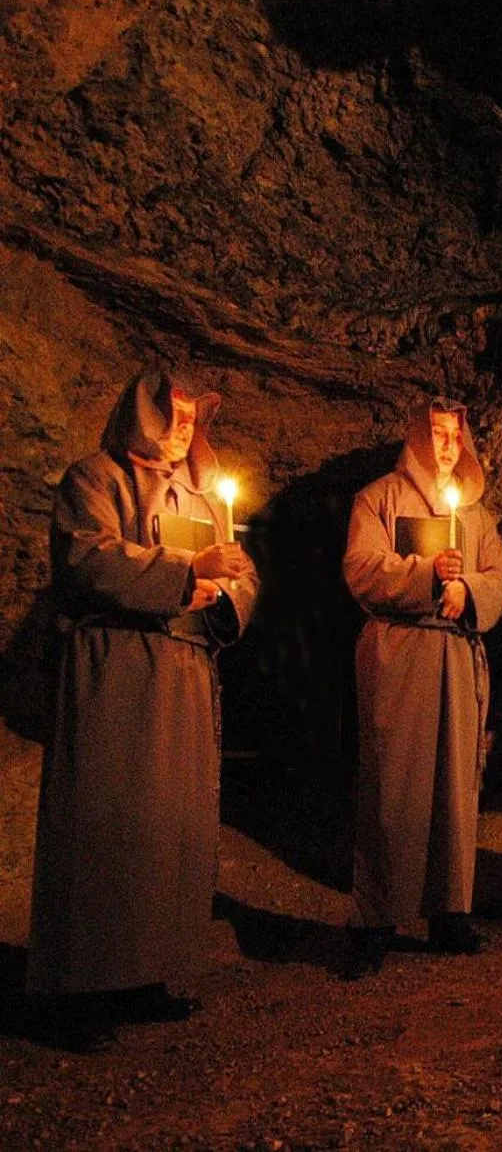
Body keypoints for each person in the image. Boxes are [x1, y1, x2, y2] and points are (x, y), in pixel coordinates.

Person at [28, 372, 257, 1051]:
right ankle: (84, 988)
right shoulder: (92, 479)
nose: (183, 429)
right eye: (173, 415)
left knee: (164, 827)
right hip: (117, 674)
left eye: (192, 418)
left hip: (184, 673)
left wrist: (224, 589)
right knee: (106, 823)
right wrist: (188, 570)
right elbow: (88, 558)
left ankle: (147, 972)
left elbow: (242, 578)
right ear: (142, 414)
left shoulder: (201, 495)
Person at [342, 398, 502, 978]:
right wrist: (424, 576)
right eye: (437, 434)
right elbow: (362, 568)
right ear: (418, 438)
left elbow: (500, 576)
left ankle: (450, 912)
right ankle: (376, 918)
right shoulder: (379, 499)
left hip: (457, 653)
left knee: (455, 785)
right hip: (402, 653)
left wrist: (469, 592)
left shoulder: (477, 515)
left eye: (454, 436)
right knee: (396, 785)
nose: (447, 445)